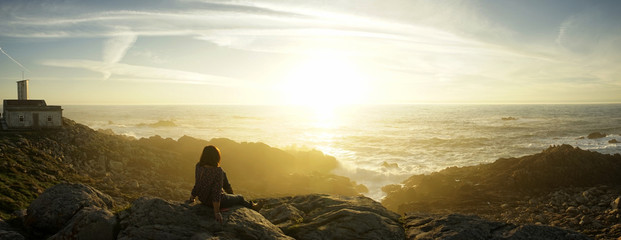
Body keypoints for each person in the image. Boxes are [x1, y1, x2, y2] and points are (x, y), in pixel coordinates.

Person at [187, 145, 262, 223]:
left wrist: (192, 197)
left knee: (223, 174)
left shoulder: (199, 166)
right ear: (216, 157)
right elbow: (216, 192)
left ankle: (232, 195)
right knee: (240, 198)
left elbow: (198, 183)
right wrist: (217, 212)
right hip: (215, 202)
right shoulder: (217, 171)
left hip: (203, 199)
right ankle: (253, 207)